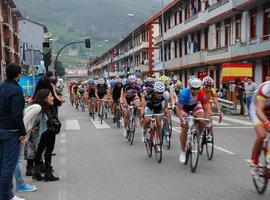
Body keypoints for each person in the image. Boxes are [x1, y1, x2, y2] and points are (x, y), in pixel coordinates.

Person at [0, 63, 26, 200]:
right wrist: (22, 132)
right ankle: (6, 196)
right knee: (8, 165)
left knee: (1, 164)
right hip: (11, 131)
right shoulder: (16, 90)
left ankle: (6, 194)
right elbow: (17, 114)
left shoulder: (2, 87)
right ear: (17, 75)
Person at [176, 77, 212, 163]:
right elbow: (178, 109)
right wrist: (182, 120)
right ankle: (182, 152)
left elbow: (206, 109)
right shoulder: (184, 93)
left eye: (197, 88)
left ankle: (197, 137)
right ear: (189, 87)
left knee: (202, 120)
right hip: (185, 109)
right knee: (185, 127)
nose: (196, 91)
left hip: (195, 106)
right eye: (193, 89)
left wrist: (207, 119)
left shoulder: (202, 93)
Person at [32, 89, 60, 182]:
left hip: (42, 133)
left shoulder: (40, 107)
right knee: (48, 151)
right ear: (44, 99)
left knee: (39, 151)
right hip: (48, 132)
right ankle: (48, 174)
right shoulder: (44, 108)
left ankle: (36, 172)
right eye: (50, 96)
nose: (52, 97)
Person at [250, 80, 270, 175]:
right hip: (257, 108)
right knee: (262, 135)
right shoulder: (266, 88)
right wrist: (266, 123)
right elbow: (259, 111)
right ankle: (254, 162)